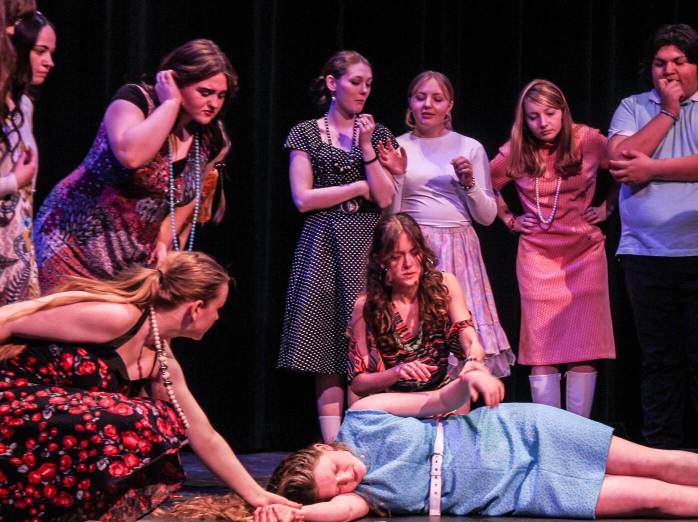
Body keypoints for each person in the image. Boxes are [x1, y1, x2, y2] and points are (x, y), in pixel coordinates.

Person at [247, 367, 698, 522]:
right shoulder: (363, 498)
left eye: (334, 471)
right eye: (340, 488)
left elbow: (434, 402)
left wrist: (467, 382)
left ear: (316, 452)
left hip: (520, 432)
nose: (348, 478)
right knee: (651, 497)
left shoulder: (361, 418)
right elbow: (331, 511)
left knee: (659, 460)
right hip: (528, 488)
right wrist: (294, 513)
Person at [0, 251, 300, 522]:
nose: (219, 317)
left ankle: (55, 515)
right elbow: (8, 322)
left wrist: (256, 495)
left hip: (43, 425)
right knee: (134, 416)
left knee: (163, 420)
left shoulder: (158, 357)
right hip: (10, 404)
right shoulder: (118, 317)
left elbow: (200, 431)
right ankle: (13, 519)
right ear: (195, 308)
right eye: (218, 308)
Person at [607, 24, 698, 463]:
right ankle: (661, 458)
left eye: (679, 61)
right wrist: (667, 112)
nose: (668, 71)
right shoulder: (634, 107)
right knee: (659, 362)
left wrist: (651, 170)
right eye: (659, 63)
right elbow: (619, 158)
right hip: (647, 254)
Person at [32, 39, 235, 292]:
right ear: (175, 81)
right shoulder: (135, 100)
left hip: (130, 260)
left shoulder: (209, 138)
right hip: (72, 242)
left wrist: (163, 244)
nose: (214, 104)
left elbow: (186, 203)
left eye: (221, 95)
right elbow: (131, 155)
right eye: (205, 92)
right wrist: (171, 104)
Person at [276, 50, 399, 442]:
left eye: (368, 84)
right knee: (326, 348)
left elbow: (383, 197)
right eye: (355, 81)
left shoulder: (377, 133)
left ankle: (364, 442)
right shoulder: (306, 132)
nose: (363, 90)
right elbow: (302, 197)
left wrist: (366, 147)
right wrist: (356, 187)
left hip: (367, 244)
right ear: (332, 83)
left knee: (366, 349)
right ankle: (332, 447)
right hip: (324, 243)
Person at [490, 79, 615, 416]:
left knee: (583, 347)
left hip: (584, 253)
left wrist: (609, 206)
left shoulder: (587, 140)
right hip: (538, 257)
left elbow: (625, 166)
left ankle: (577, 437)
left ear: (563, 112)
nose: (542, 123)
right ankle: (550, 440)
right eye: (533, 116)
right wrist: (510, 219)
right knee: (542, 350)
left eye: (549, 113)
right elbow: (484, 183)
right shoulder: (515, 149)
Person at [390, 71, 513, 379]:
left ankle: (459, 422)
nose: (428, 105)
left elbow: (486, 217)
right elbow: (390, 213)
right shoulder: (398, 145)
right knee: (417, 341)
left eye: (437, 98)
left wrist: (469, 183)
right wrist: (397, 175)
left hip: (459, 247)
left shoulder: (468, 147)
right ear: (410, 103)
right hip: (414, 246)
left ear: (450, 106)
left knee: (461, 341)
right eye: (420, 97)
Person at [348, 213, 483, 410]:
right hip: (396, 405)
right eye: (396, 257)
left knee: (458, 398)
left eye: (414, 252)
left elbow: (469, 337)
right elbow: (359, 383)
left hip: (440, 395)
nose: (408, 263)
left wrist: (473, 359)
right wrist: (396, 372)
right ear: (380, 260)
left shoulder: (444, 286)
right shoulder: (366, 306)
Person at [0, 8, 50, 303]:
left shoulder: (23, 107)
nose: (49, 62)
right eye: (40, 50)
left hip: (14, 244)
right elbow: (17, 180)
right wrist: (13, 180)